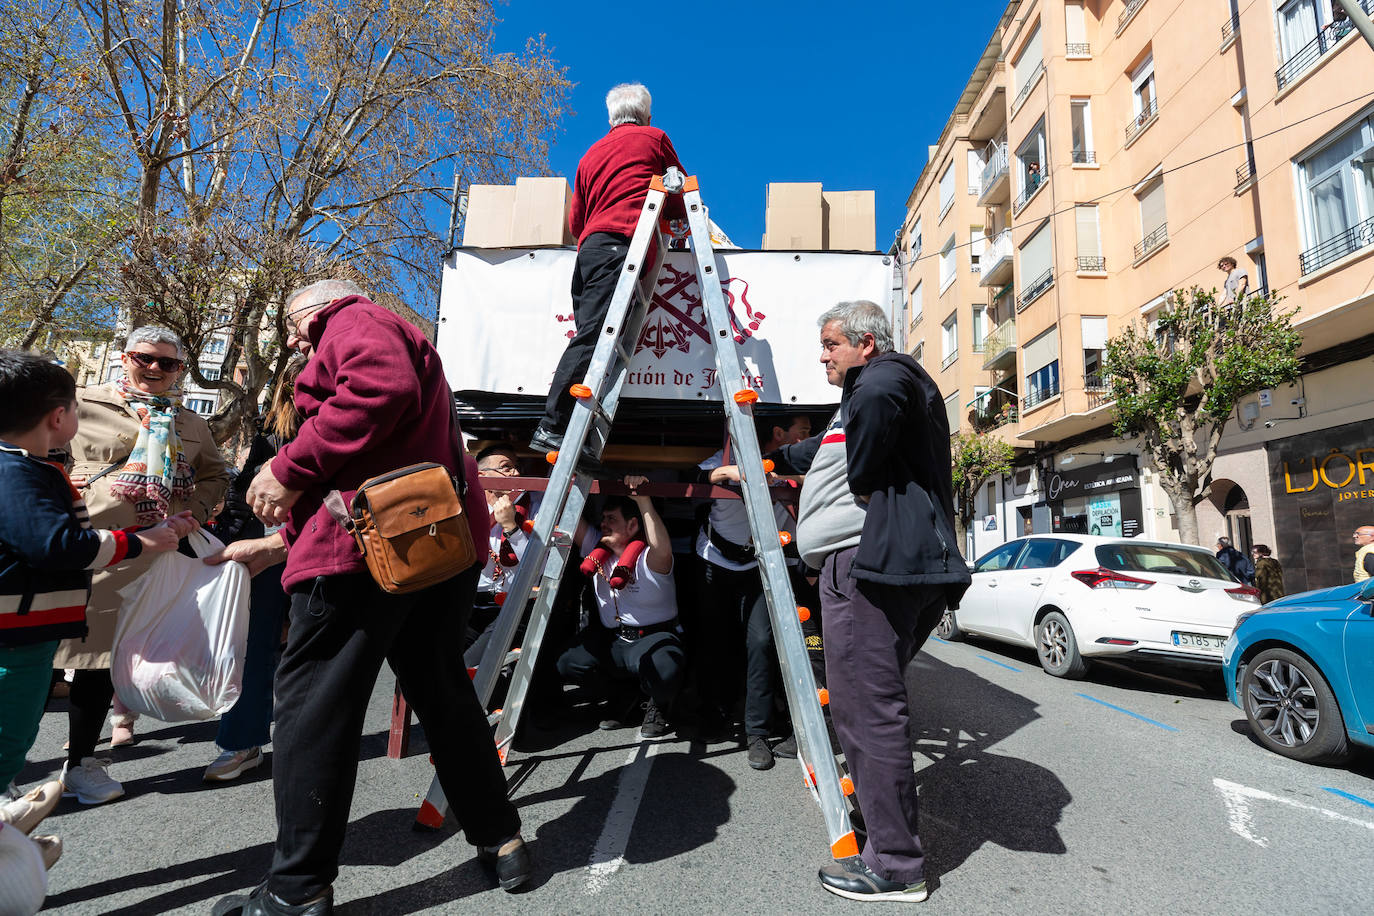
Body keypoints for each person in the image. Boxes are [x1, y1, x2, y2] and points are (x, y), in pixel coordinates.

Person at [210, 280, 528, 915]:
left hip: (363, 562)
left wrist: (287, 466)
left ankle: (297, 891)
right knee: (444, 697)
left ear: (313, 311)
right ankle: (502, 841)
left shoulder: (351, 320)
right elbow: (370, 466)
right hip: (430, 551)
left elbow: (379, 392)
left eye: (292, 329)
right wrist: (278, 547)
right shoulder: (391, 337)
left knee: (311, 714)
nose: (297, 344)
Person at [768, 300, 970, 902]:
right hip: (868, 569)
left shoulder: (883, 376)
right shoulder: (855, 401)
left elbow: (878, 402)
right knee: (865, 708)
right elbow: (823, 449)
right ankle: (885, 829)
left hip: (866, 570)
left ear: (865, 343)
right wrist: (772, 464)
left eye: (832, 344)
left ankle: (896, 867)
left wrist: (861, 466)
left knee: (867, 711)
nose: (823, 355)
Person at [0, 349, 192, 865]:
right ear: (59, 417)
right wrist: (137, 543)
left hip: (31, 632)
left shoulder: (31, 467)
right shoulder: (18, 474)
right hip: (15, 637)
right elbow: (57, 545)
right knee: (9, 732)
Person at [52, 327, 229, 805]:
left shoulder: (191, 422)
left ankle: (94, 750)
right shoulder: (80, 402)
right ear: (124, 356)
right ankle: (49, 767)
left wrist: (198, 508)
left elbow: (214, 471)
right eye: (145, 358)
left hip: (162, 553)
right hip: (98, 549)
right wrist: (71, 497)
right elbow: (40, 457)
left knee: (127, 657)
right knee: (78, 660)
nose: (155, 369)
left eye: (168, 364)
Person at [530, 82, 685, 454]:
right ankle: (551, 425)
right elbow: (678, 193)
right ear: (647, 115)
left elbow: (576, 220)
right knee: (595, 337)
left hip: (590, 251)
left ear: (611, 118)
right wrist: (678, 226)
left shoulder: (589, 155)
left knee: (593, 335)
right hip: (621, 245)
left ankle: (574, 435)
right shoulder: (654, 138)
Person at [201, 360, 304, 783]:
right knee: (252, 645)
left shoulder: (354, 428)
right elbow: (243, 495)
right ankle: (241, 741)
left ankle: (309, 743)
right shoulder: (269, 434)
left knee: (312, 653)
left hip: (328, 550)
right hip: (264, 552)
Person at [694, 415, 810, 771]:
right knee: (714, 639)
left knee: (760, 642)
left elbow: (825, 480)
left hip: (765, 565)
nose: (809, 440)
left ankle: (756, 731)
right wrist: (727, 474)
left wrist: (786, 480)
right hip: (716, 559)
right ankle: (712, 716)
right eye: (803, 434)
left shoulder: (793, 461)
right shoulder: (724, 458)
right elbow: (695, 479)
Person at [556, 478, 684, 739]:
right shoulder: (595, 547)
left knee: (665, 669)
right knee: (567, 663)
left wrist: (642, 499)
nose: (603, 523)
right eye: (603, 517)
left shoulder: (652, 558)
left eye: (611, 518)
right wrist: (568, 481)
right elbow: (572, 519)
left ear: (632, 525)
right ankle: (625, 695)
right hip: (614, 639)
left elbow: (660, 543)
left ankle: (657, 702)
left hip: (653, 638)